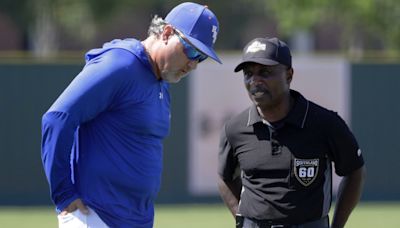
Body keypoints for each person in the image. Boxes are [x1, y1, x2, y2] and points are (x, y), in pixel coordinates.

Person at [41, 2, 221, 228]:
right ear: (166, 33)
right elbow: (57, 117)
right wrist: (63, 193)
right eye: (192, 50)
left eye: (201, 57)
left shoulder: (161, 80)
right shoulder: (120, 64)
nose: (193, 64)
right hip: (95, 216)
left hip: (135, 219)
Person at [218, 37, 366, 228]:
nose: (255, 80)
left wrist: (337, 225)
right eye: (248, 74)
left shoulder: (325, 123)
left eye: (264, 72)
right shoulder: (235, 129)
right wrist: (242, 219)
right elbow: (224, 177)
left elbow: (355, 172)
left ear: (289, 75)